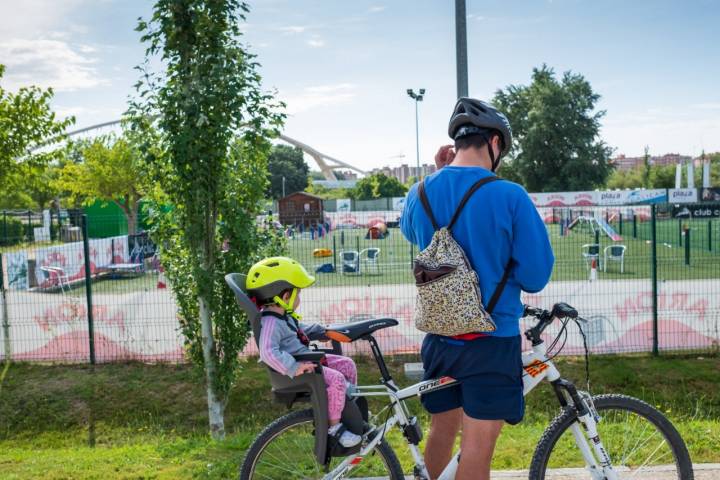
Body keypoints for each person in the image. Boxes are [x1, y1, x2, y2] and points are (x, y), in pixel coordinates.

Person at [400, 98, 554, 480]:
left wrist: (439, 176)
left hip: (439, 337)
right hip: (490, 340)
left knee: (442, 430)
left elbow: (413, 232)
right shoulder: (509, 195)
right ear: (495, 143)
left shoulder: (418, 193)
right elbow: (536, 277)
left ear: (457, 143)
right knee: (476, 453)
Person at [246, 256, 361, 447]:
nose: (299, 298)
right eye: (297, 293)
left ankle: (347, 408)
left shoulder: (283, 317)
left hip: (309, 360)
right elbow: (267, 352)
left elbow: (300, 329)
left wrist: (322, 331)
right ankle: (335, 428)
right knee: (338, 379)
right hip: (302, 368)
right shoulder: (271, 322)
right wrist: (294, 366)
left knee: (347, 365)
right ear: (284, 297)